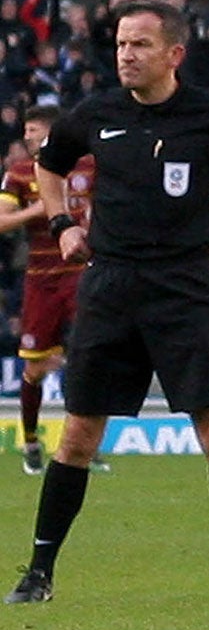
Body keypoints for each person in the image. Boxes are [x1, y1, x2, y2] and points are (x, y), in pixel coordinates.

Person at [6, 0, 209, 604]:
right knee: (79, 437)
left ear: (174, 54)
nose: (126, 55)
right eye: (120, 44)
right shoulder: (97, 113)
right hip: (111, 285)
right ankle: (38, 574)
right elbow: (50, 165)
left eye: (139, 44)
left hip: (184, 288)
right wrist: (62, 220)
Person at [0, 106, 95, 473]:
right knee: (36, 370)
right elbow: (3, 221)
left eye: (33, 129)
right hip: (40, 278)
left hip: (82, 273)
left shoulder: (88, 166)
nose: (27, 136)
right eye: (25, 129)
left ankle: (85, 444)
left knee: (89, 358)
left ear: (52, 132)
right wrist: (38, 210)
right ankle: (31, 442)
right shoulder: (20, 173)